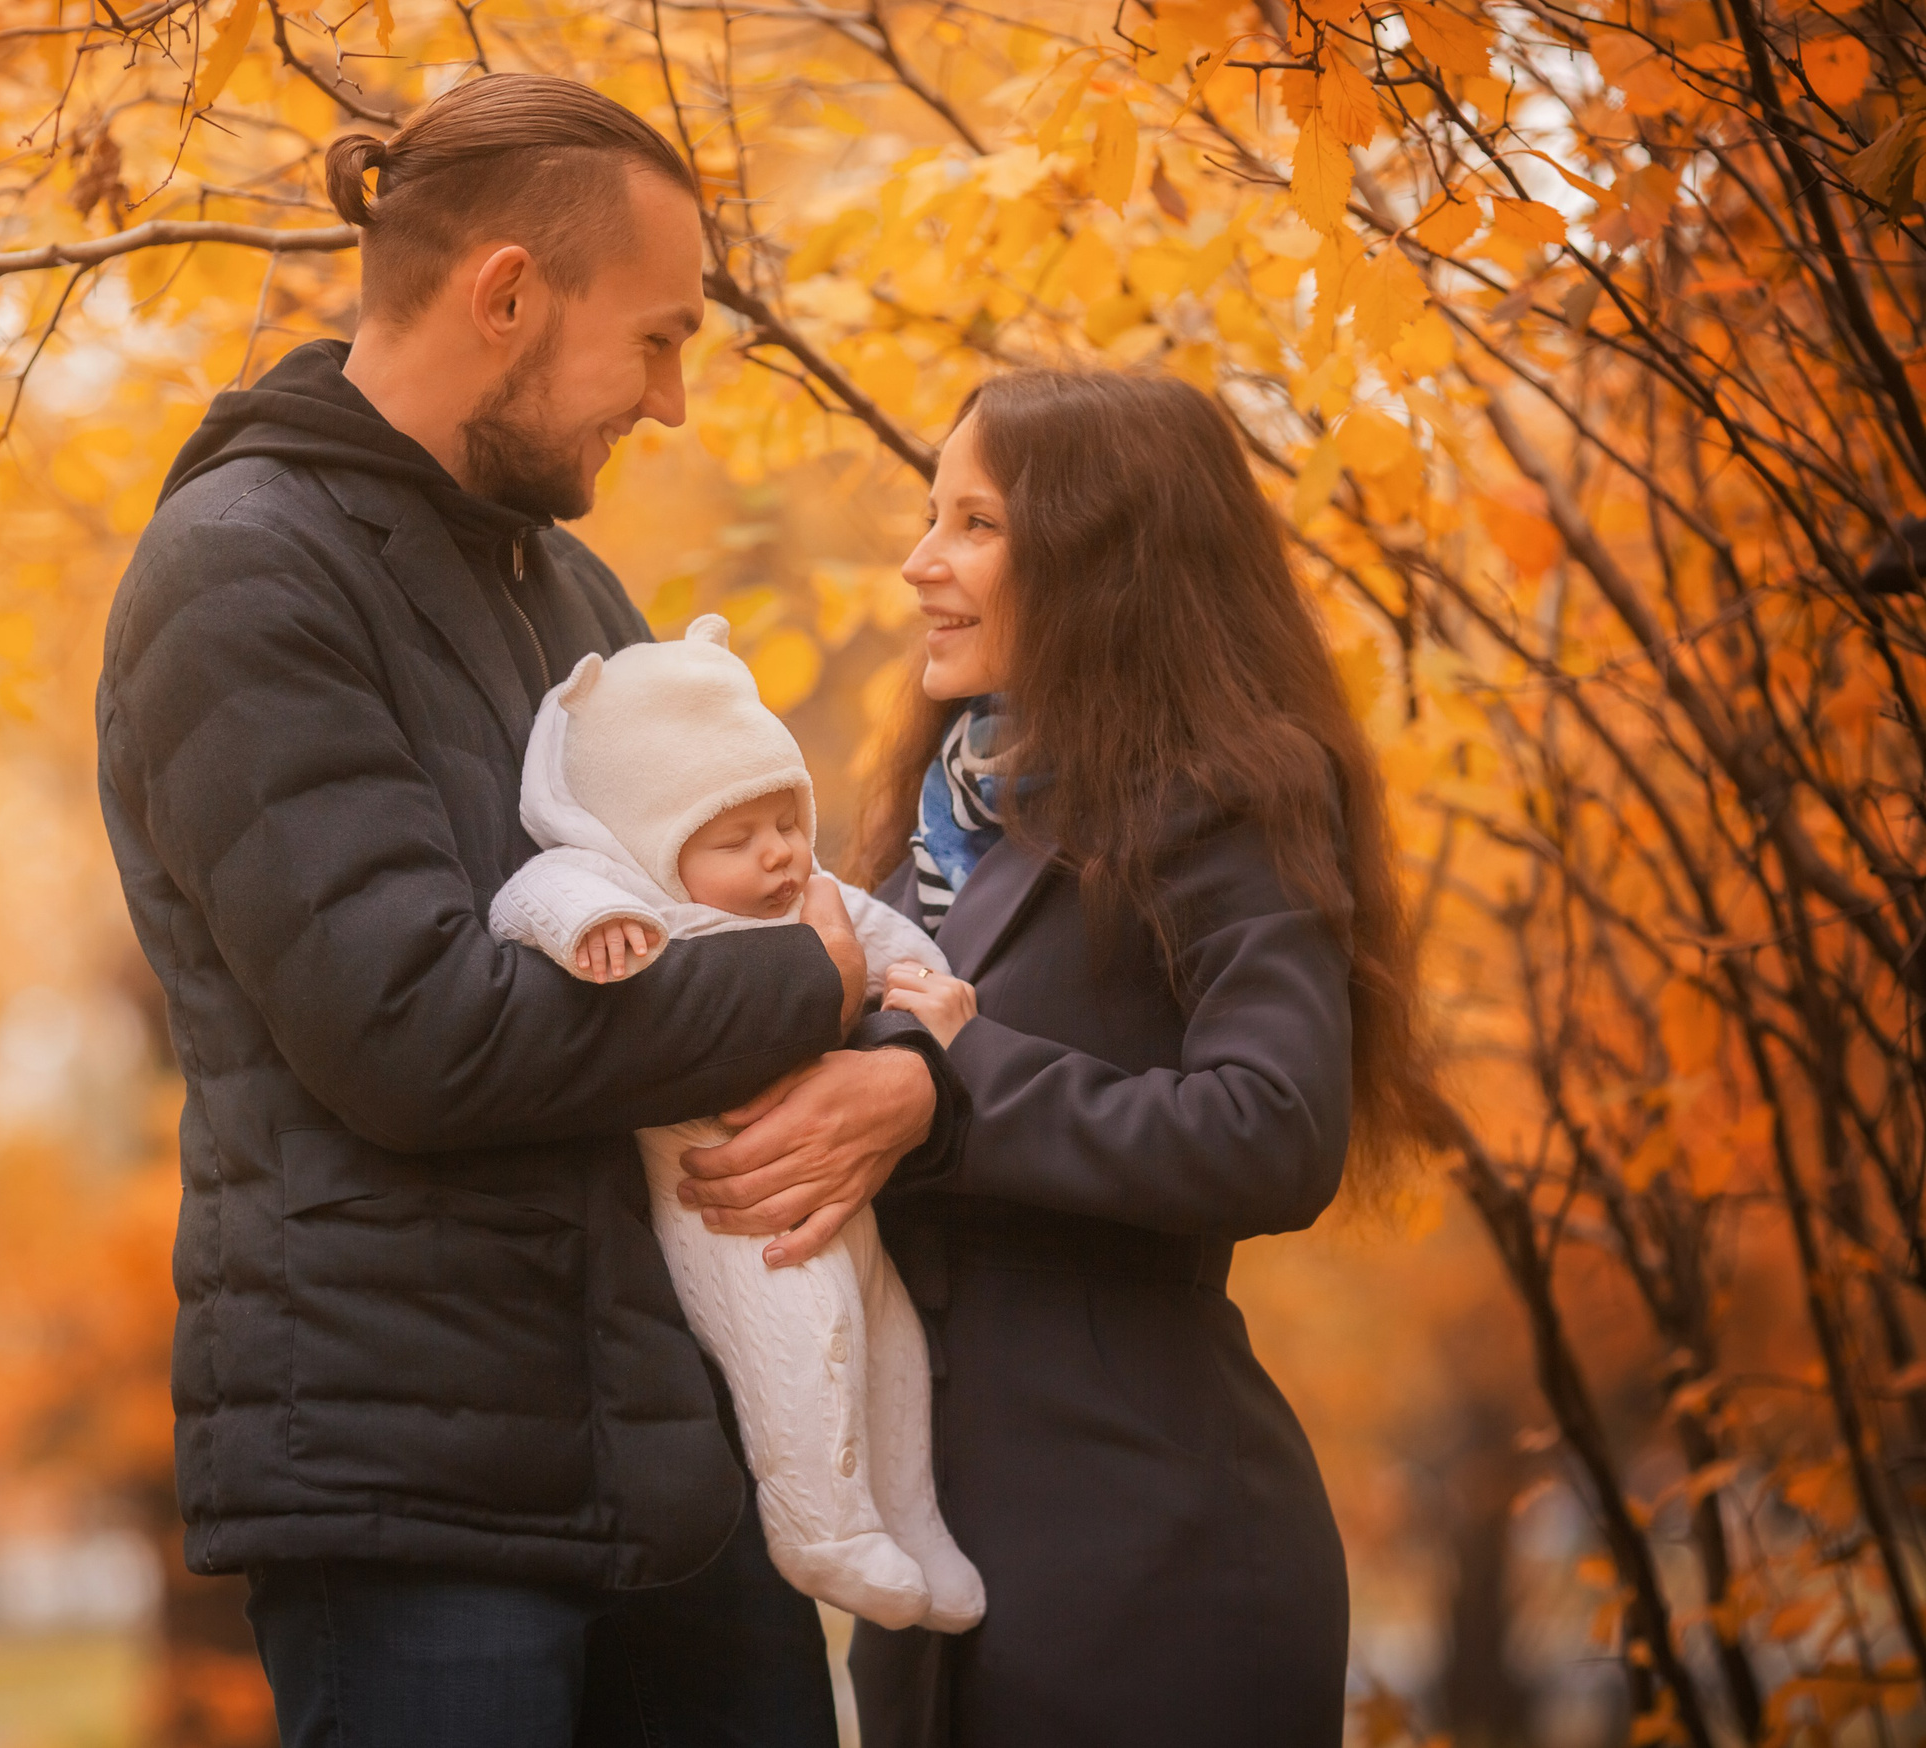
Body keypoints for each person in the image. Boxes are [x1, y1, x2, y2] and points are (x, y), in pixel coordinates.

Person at [93, 73, 964, 1748]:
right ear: (505, 296)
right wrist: (811, 982)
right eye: (654, 340)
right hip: (409, 1491)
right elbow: (411, 1032)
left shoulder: (571, 591)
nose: (678, 402)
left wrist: (895, 1054)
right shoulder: (242, 570)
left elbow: (740, 910)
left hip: (665, 1464)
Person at [679, 368, 1438, 1745]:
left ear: (1104, 552)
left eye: (975, 524)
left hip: (1154, 1561)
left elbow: (1276, 1127)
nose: (919, 564)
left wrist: (945, 1091)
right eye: (930, 516)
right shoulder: (929, 830)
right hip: (933, 1587)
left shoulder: (1231, 793)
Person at [487, 615, 985, 1634]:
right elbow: (528, 896)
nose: (775, 854)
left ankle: (911, 1515)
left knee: (889, 1340)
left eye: (786, 821)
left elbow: (894, 947)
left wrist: (931, 1002)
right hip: (722, 1197)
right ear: (654, 846)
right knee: (800, 1334)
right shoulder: (630, 893)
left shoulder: (807, 895)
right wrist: (592, 927)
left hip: (837, 1189)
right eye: (734, 837)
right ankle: (821, 1524)